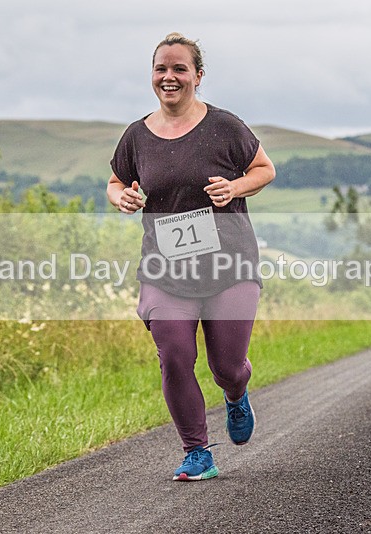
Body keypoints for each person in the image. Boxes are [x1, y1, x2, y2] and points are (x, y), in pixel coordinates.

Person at [106, 32, 275, 481]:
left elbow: (265, 169)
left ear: (198, 77)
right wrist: (122, 197)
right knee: (175, 355)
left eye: (180, 69)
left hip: (229, 263)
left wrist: (234, 187)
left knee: (226, 367)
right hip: (165, 268)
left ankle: (236, 394)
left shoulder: (225, 127)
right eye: (162, 68)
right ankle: (197, 451)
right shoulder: (137, 136)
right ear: (152, 76)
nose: (170, 77)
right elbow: (115, 181)